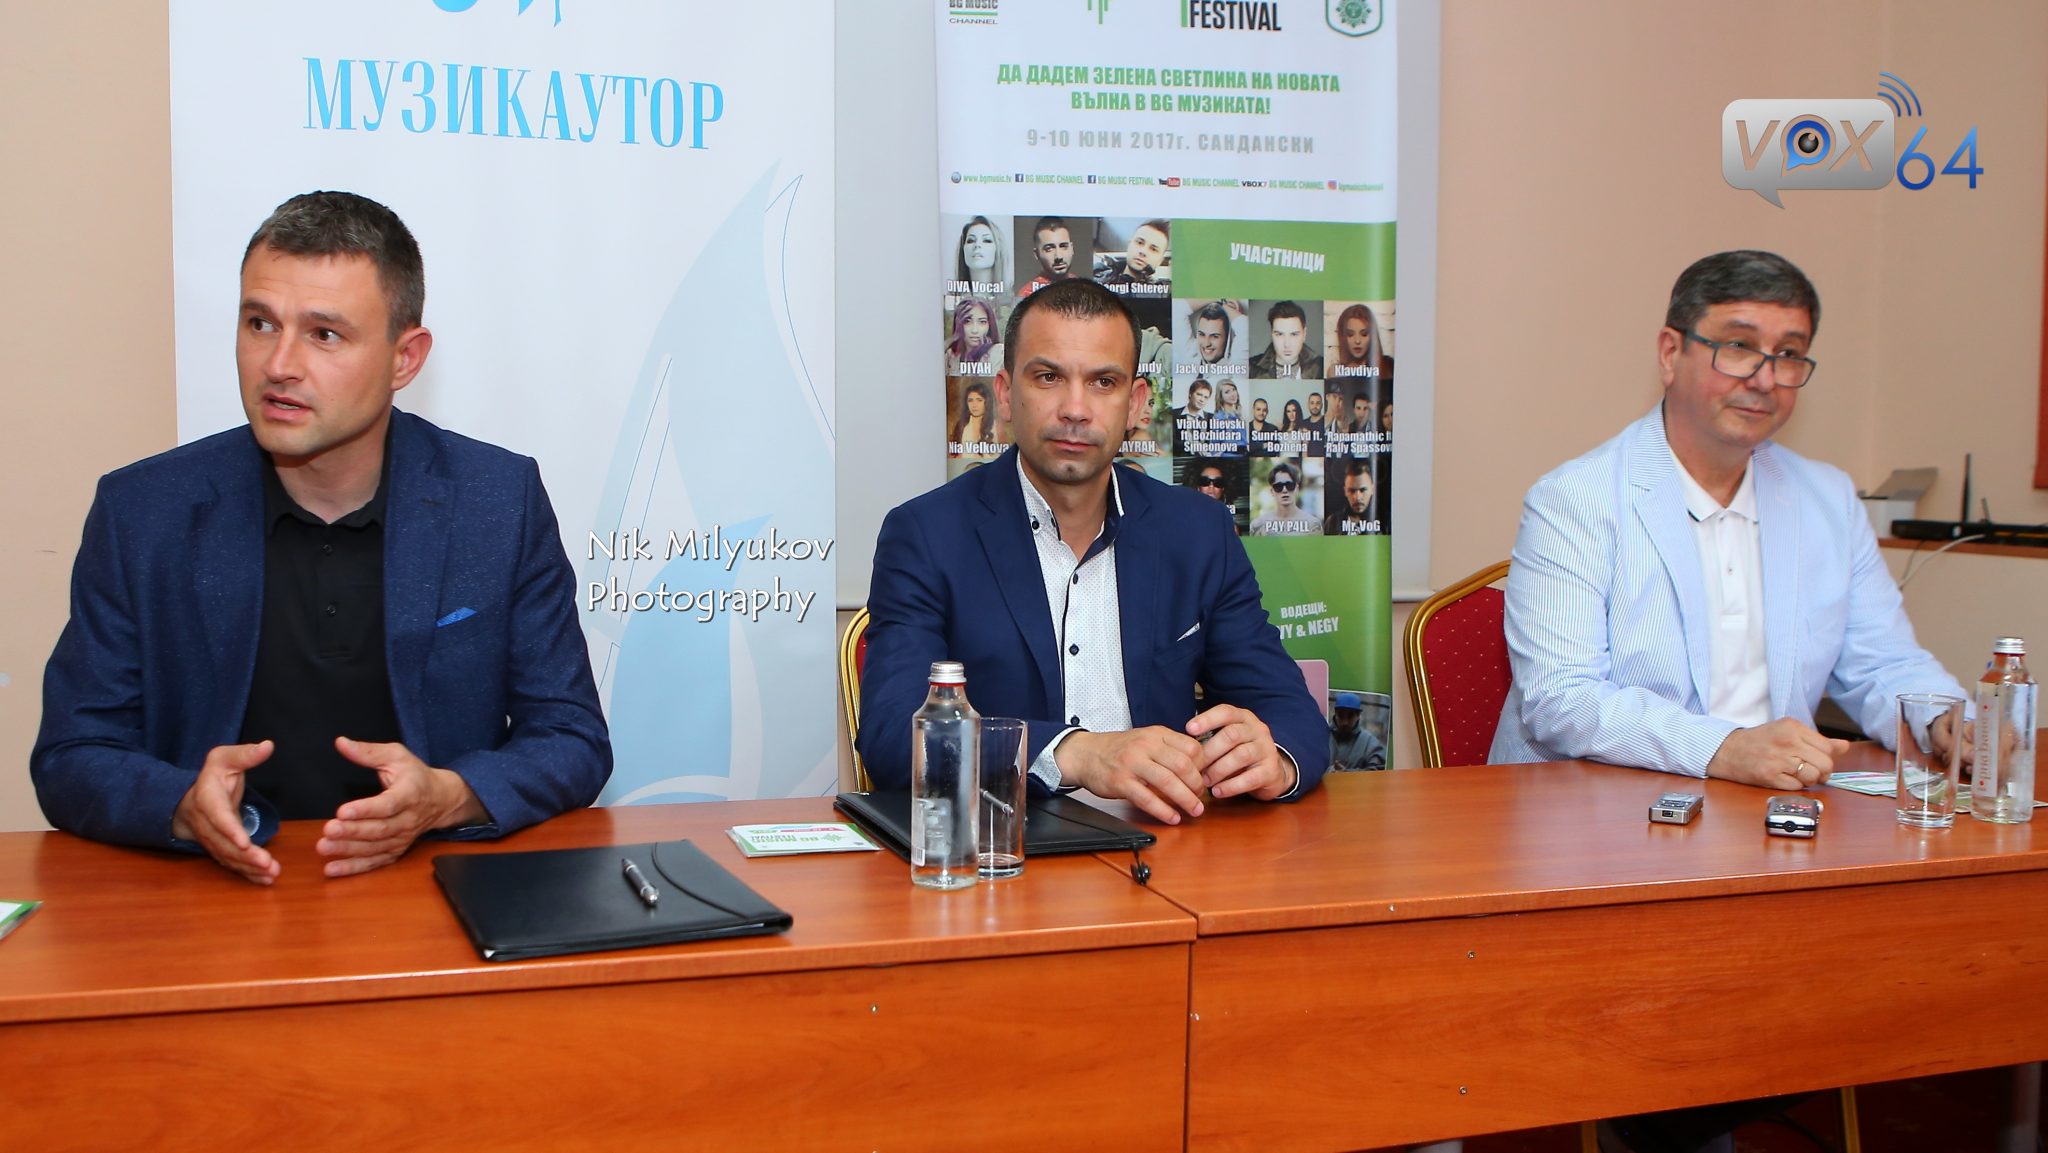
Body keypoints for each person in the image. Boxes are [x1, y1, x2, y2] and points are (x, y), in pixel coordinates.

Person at [31, 190, 611, 884]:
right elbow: (72, 754)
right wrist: (182, 805)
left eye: (324, 334)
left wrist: (448, 796)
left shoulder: (497, 500)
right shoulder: (143, 510)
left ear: (405, 359)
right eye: (259, 323)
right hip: (214, 893)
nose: (279, 364)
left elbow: (572, 738)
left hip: (431, 890)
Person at [1491, 249, 1968, 790]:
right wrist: (1725, 747)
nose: (1765, 379)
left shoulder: (1828, 499)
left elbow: (1882, 664)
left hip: (1776, 803)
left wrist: (1945, 722)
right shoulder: (1576, 499)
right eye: (1739, 347)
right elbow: (1563, 699)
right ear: (1671, 353)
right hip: (1595, 807)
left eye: (1788, 354)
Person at [858, 279, 1327, 823]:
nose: (1076, 409)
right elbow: (895, 735)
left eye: (1103, 382)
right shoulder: (926, 535)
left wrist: (1273, 758)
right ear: (1005, 394)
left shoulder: (1197, 531)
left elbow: (1291, 713)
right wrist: (1074, 753)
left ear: (1136, 404)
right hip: (1004, 849)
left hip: (1165, 846)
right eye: (1049, 377)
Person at [1250, 301, 1324, 379]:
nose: (1287, 344)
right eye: (1279, 334)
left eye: (1294, 334)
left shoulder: (1320, 367)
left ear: (1304, 334)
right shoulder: (1251, 368)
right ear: (1271, 334)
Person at [1095, 219, 1170, 287]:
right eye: (1140, 242)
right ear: (1129, 245)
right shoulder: (1096, 276)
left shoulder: (1163, 292)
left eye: (1153, 249)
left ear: (1160, 261)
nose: (1143, 252)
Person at [1251, 459, 1317, 536]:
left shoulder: (1313, 525)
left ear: (1296, 489)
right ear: (1272, 491)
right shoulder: (1258, 525)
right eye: (1278, 486)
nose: (1284, 490)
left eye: (1289, 485)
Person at [1332, 303, 1394, 383]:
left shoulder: (1388, 365)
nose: (1357, 341)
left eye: (1364, 334)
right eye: (1350, 334)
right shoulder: (1336, 371)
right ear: (1343, 336)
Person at [1018, 216, 1076, 298]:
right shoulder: (1027, 295)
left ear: (1072, 249)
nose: (1059, 256)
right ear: (1037, 254)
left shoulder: (1082, 287)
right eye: (1049, 249)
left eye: (1063, 246)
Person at [1328, 692, 1387, 771]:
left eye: (1350, 716)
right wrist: (1328, 771)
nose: (1345, 722)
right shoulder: (1321, 736)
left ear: (1358, 716)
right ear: (1335, 714)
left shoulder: (1369, 742)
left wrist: (1347, 773)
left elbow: (1377, 771)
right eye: (1341, 715)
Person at [945, 296, 1002, 372]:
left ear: (990, 325)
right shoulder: (950, 355)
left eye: (982, 322)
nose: (975, 330)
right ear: (958, 324)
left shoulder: (999, 353)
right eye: (967, 321)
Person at [954, 214, 1009, 292]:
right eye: (971, 240)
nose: (977, 245)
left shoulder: (1011, 295)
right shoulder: (951, 295)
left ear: (997, 249)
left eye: (986, 240)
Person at [1325, 461, 1377, 536]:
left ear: (1372, 489)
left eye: (1363, 490)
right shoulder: (1332, 522)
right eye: (1351, 491)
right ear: (1345, 491)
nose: (1357, 497)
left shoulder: (1385, 523)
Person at [950, 380, 999, 449]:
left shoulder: (996, 427)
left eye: (979, 400)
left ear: (987, 402)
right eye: (970, 400)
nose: (974, 405)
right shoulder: (960, 426)